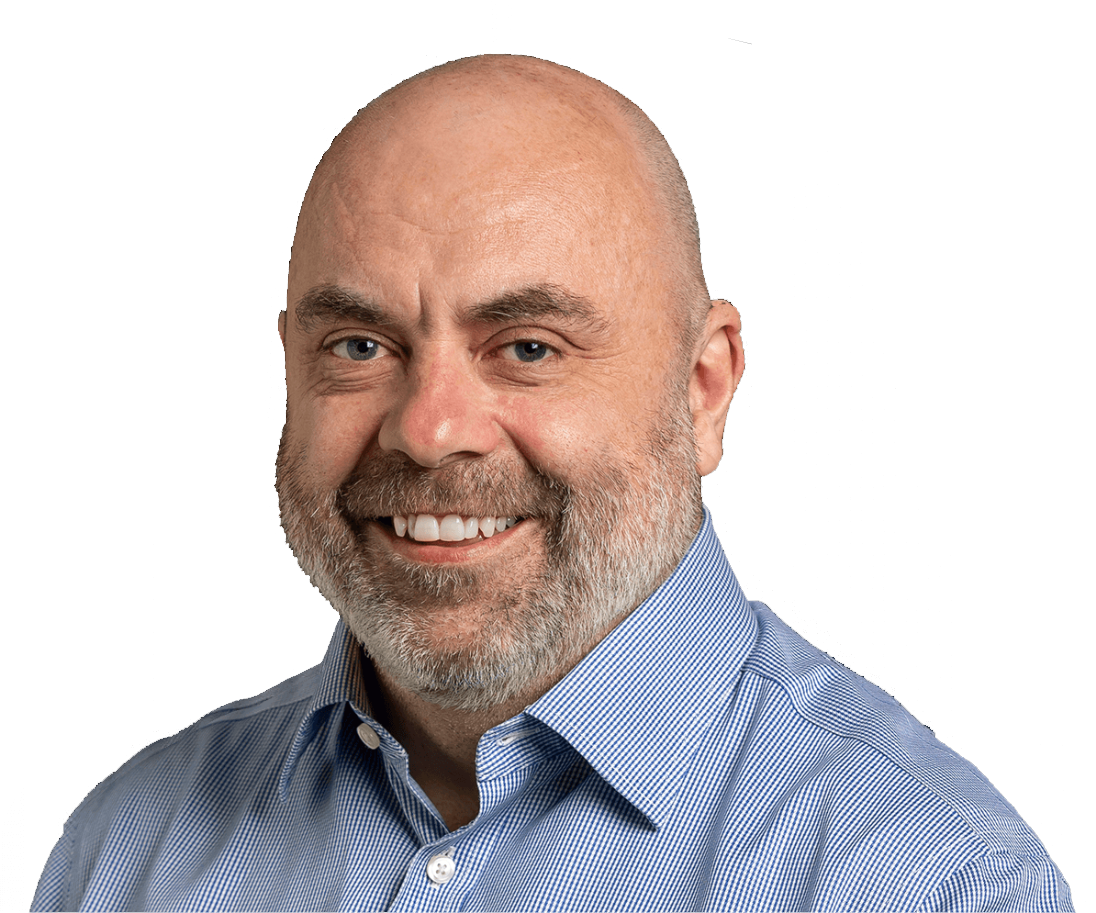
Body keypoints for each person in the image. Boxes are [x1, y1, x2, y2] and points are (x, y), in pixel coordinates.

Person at [32, 55, 1073, 912]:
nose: (430, 429)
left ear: (704, 391)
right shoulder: (128, 851)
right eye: (357, 345)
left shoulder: (927, 881)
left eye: (526, 347)